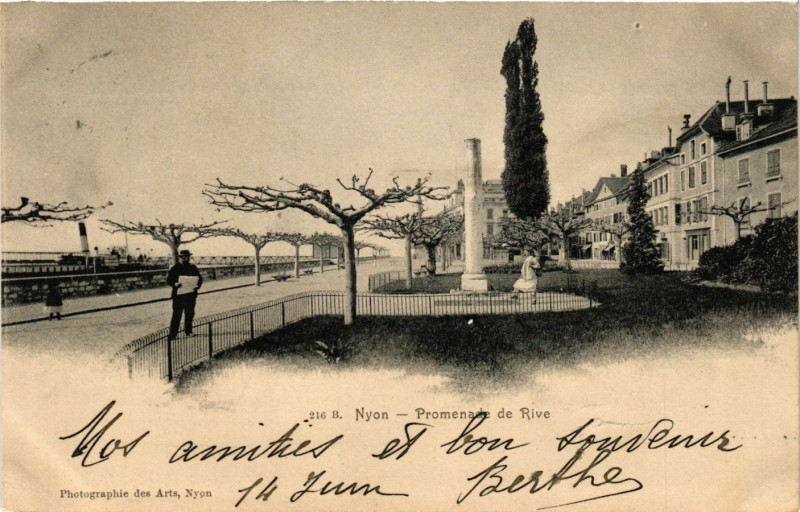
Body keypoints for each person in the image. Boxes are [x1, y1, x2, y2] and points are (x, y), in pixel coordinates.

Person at [167, 250, 203, 340]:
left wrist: (197, 286)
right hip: (178, 296)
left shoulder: (193, 267)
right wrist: (175, 284)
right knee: (176, 315)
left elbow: (200, 279)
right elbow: (169, 280)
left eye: (187, 257)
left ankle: (188, 331)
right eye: (183, 257)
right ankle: (173, 335)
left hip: (190, 295)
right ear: (180, 258)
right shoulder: (175, 268)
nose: (185, 258)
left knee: (189, 314)